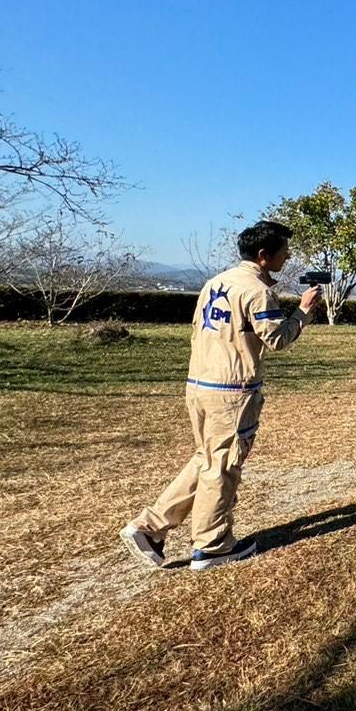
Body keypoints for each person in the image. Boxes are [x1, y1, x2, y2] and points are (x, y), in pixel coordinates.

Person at [119, 220, 322, 571]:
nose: (287, 257)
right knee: (222, 466)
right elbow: (277, 339)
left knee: (207, 459)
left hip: (199, 384)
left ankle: (149, 528)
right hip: (232, 391)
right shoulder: (258, 291)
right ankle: (213, 546)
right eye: (283, 252)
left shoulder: (216, 283)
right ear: (263, 256)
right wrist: (303, 311)